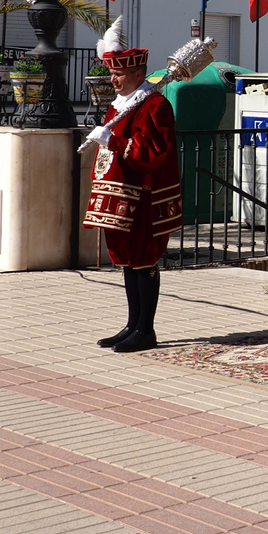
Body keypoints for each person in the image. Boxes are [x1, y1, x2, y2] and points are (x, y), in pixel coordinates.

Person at [82, 19, 182, 354]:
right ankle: (132, 324)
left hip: (143, 198)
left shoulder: (155, 106)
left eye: (119, 74)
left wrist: (112, 140)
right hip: (117, 195)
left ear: (138, 74)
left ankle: (146, 330)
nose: (113, 80)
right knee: (126, 261)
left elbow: (152, 153)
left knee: (143, 261)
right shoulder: (118, 105)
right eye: (112, 73)